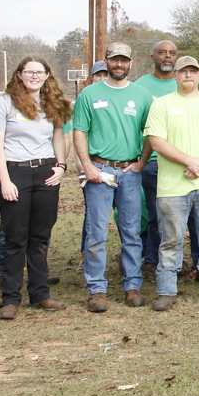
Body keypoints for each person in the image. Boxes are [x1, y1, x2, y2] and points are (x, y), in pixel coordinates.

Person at [137, 55, 199, 308]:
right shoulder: (162, 105)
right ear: (175, 75)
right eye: (183, 71)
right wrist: (189, 161)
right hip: (172, 186)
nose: (188, 75)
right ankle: (166, 291)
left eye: (193, 71)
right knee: (170, 240)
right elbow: (157, 141)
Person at [0, 57, 71, 319]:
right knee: (15, 238)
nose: (34, 76)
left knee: (40, 237)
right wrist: (5, 180)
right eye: (29, 72)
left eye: (39, 72)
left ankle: (40, 294)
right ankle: (11, 298)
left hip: (46, 172)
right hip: (16, 172)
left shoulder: (53, 102)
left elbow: (58, 136)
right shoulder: (5, 102)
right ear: (20, 74)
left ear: (47, 75)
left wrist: (61, 166)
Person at [71, 43, 149, 311]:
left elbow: (151, 133)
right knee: (96, 233)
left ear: (130, 63)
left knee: (131, 232)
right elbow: (79, 131)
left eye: (123, 60)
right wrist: (87, 167)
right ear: (106, 62)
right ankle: (96, 289)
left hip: (129, 172)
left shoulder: (141, 95)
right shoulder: (89, 94)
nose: (119, 65)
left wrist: (141, 162)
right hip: (100, 172)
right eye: (114, 60)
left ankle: (132, 285)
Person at [134, 40, 182, 277]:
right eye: (161, 52)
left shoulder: (182, 85)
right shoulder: (140, 87)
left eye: (172, 53)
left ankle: (182, 262)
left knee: (180, 215)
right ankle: (152, 259)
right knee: (154, 214)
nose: (167, 56)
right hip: (151, 162)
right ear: (152, 56)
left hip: (180, 162)